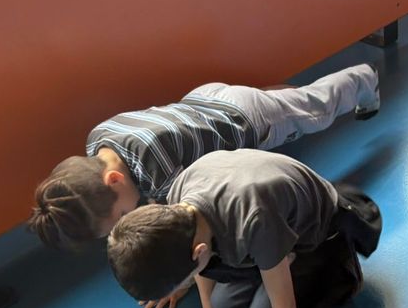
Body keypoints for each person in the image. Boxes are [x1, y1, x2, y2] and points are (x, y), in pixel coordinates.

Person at [107, 149, 380, 308]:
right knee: (224, 306)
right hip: (266, 230)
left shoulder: (254, 220)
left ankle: (340, 271)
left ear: (199, 251)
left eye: (182, 283)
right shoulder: (179, 204)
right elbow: (202, 267)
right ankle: (276, 261)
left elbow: (283, 306)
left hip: (321, 234)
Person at [28, 63, 380, 247]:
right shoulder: (98, 139)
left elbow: (186, 224)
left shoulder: (156, 174)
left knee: (315, 111)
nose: (128, 216)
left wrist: (176, 281)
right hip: (202, 101)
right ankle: (284, 97)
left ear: (114, 179)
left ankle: (363, 80)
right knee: (287, 103)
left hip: (245, 121)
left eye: (122, 213)